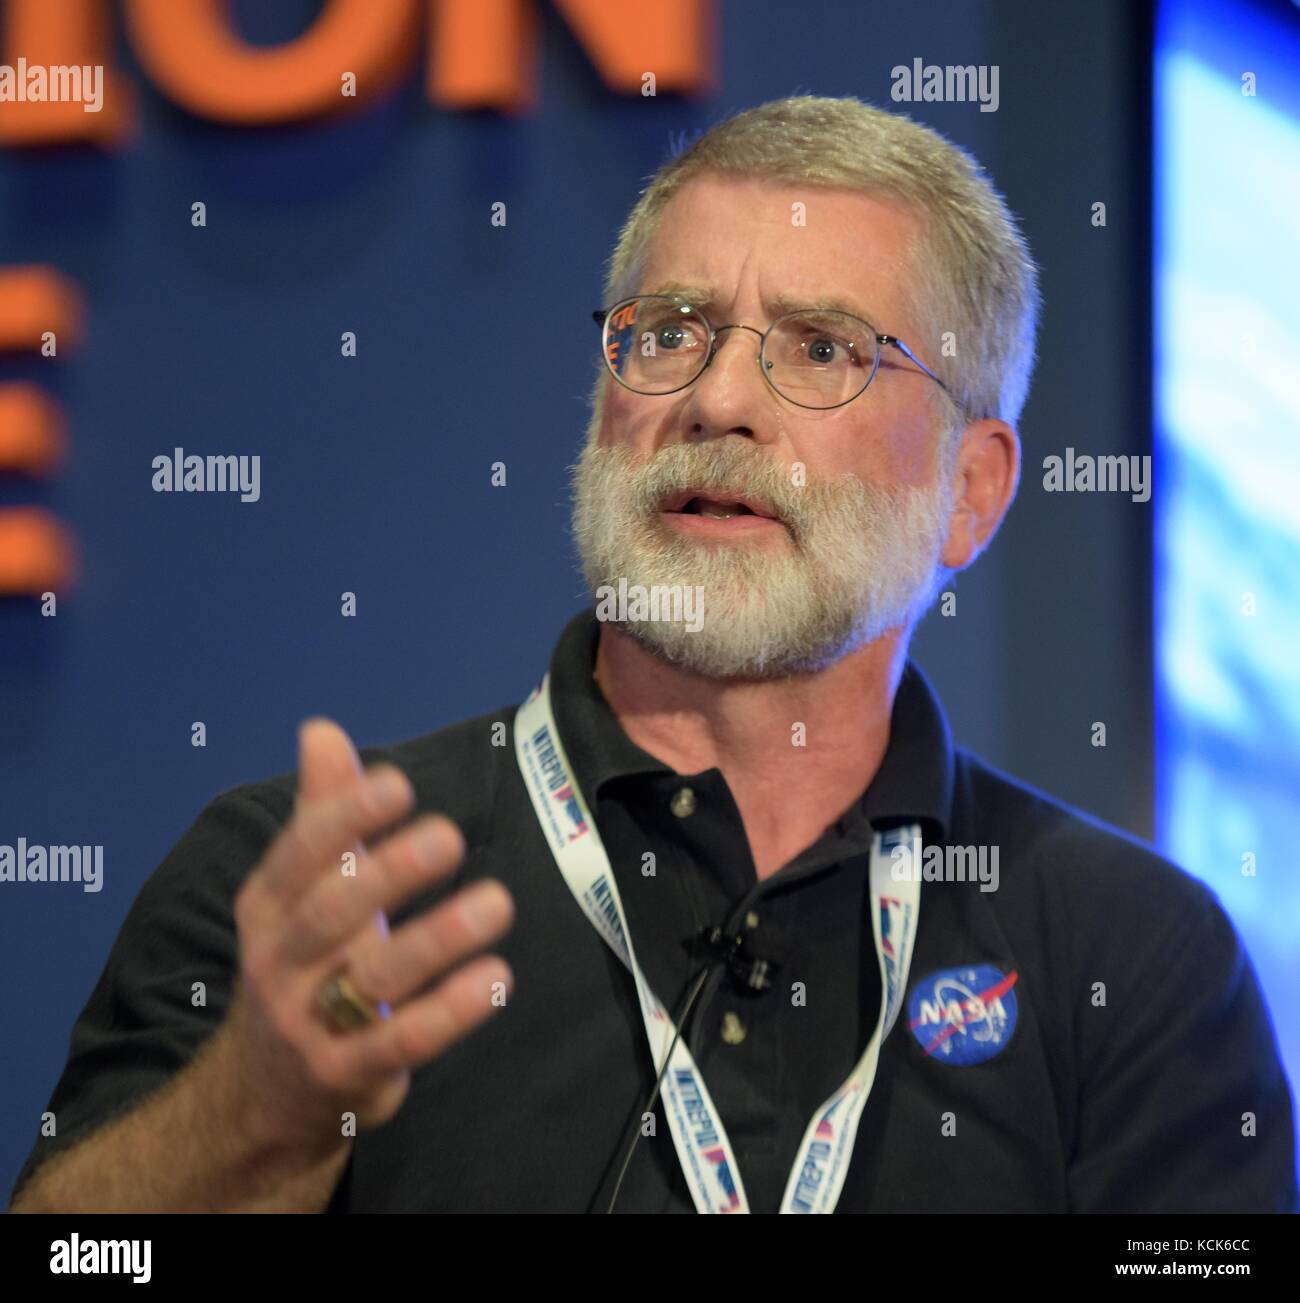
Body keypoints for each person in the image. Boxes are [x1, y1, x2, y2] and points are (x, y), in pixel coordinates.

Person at [10, 95, 1296, 1214]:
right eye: (670, 328)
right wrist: (254, 1111)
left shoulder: (1130, 957)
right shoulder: (319, 884)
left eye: (821, 350)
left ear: (971, 489)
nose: (715, 398)